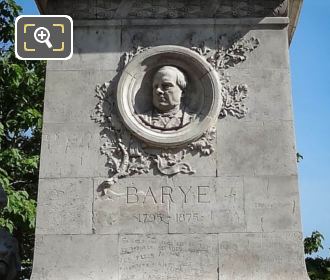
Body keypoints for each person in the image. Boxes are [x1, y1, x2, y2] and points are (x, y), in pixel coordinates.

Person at [138, 66, 194, 130]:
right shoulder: (143, 118)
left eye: (166, 86)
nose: (158, 90)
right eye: (155, 86)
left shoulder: (190, 118)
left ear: (182, 92)